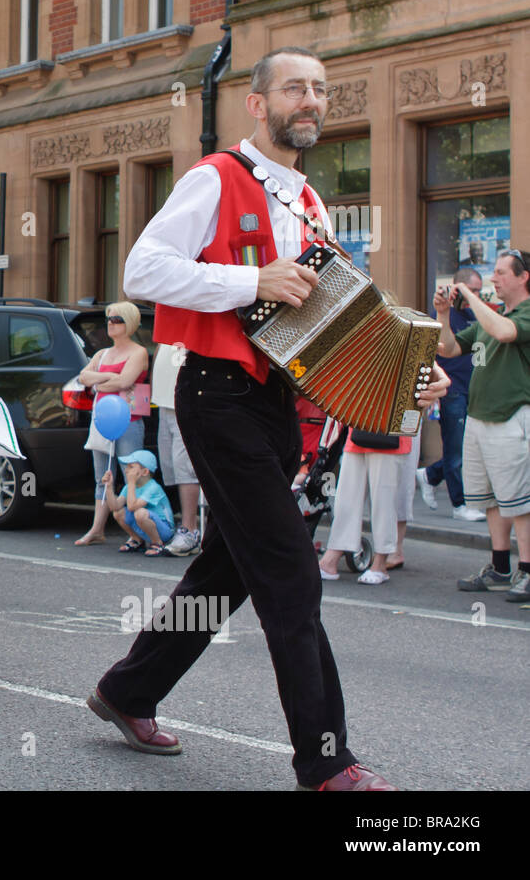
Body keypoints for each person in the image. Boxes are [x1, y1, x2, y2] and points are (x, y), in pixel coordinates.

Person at [89, 46, 448, 790]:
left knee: (224, 574)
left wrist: (414, 372)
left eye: (319, 89)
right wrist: (251, 278)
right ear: (258, 104)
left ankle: (127, 690)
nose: (310, 101)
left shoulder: (310, 200)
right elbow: (142, 270)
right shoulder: (213, 178)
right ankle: (326, 760)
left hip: (276, 404)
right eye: (294, 89)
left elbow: (344, 319)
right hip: (216, 396)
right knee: (290, 575)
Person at [438, 250, 530, 602]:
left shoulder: (520, 315)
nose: (495, 278)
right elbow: (447, 349)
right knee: (491, 499)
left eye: (501, 272)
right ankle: (500, 568)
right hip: (480, 419)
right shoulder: (491, 318)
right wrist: (445, 314)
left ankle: (527, 571)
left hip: (512, 417)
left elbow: (505, 333)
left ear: (523, 278)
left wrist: (471, 296)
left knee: (519, 501)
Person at [74, 302, 149, 546]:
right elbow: (84, 377)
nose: (110, 323)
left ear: (129, 323)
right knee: (102, 476)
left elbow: (126, 381)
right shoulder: (102, 354)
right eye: (109, 318)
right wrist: (107, 379)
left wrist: (100, 382)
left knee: (133, 475)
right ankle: (97, 528)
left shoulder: (138, 352)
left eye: (117, 319)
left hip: (129, 419)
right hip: (103, 420)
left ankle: (136, 530)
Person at [417, 268, 485, 521]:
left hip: (472, 390)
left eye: (479, 290)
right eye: (473, 289)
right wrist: (443, 311)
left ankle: (431, 474)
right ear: (458, 288)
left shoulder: (473, 315)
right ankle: (459, 504)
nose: (477, 294)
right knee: (456, 450)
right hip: (453, 390)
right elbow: (442, 349)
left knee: (468, 450)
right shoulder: (446, 315)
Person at [317, 432, 416, 585]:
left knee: (383, 501)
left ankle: (380, 564)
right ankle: (331, 558)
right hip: (358, 432)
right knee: (346, 499)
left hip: (392, 432)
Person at [150, 343, 203, 556]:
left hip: (184, 403)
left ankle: (190, 528)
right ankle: (184, 525)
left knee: (185, 468)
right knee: (171, 465)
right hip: (165, 403)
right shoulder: (169, 328)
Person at [101, 450, 175, 555]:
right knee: (118, 513)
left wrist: (131, 482)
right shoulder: (129, 487)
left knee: (139, 513)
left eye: (131, 467)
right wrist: (108, 487)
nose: (126, 470)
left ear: (145, 472)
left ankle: (157, 543)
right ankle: (137, 540)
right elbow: (114, 507)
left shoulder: (153, 487)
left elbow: (132, 507)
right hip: (144, 524)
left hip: (164, 530)